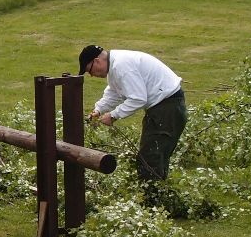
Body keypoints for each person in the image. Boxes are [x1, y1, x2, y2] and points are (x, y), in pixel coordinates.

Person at [79, 45, 187, 183]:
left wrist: (113, 115)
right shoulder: (115, 65)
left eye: (90, 70)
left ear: (97, 61)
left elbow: (138, 98)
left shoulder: (121, 66)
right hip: (164, 107)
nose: (92, 75)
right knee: (153, 155)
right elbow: (114, 92)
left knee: (150, 158)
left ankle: (152, 199)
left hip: (167, 109)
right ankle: (157, 194)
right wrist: (98, 109)